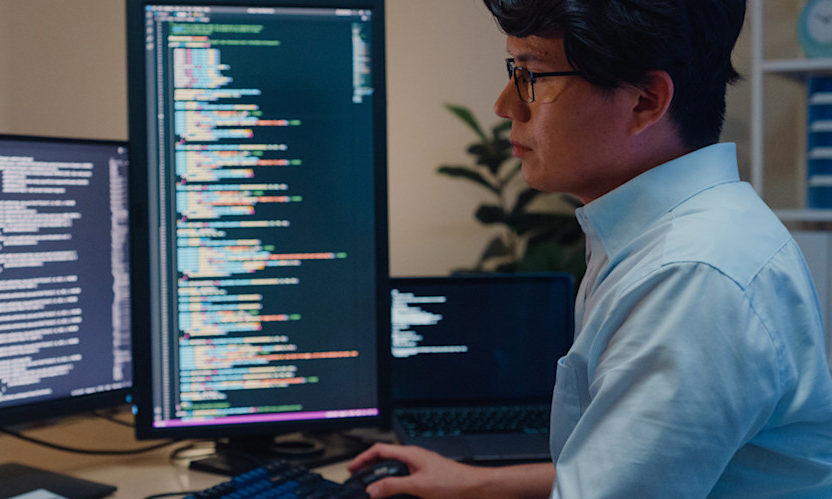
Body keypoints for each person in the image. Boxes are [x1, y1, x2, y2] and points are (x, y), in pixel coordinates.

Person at [350, 0, 832, 497]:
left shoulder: (691, 276)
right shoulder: (670, 234)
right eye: (514, 69)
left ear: (645, 101)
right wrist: (478, 483)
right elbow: (634, 468)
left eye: (532, 75)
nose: (506, 105)